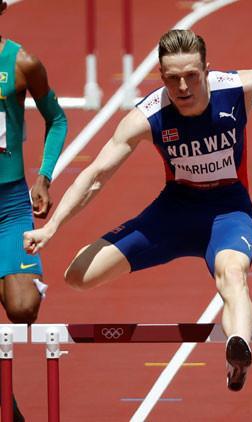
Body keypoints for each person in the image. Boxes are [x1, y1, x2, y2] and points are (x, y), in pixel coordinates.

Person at [23, 29, 252, 391]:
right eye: (173, 79)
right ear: (161, 76)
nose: (183, 87)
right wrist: (52, 227)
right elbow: (95, 176)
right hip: (174, 213)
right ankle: (238, 338)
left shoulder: (234, 88)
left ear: (207, 69)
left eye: (191, 75)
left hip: (227, 211)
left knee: (232, 275)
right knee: (79, 276)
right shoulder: (146, 116)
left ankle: (238, 348)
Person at [0, 0, 67, 418]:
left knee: (23, 308)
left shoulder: (22, 62)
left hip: (9, 205)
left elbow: (57, 119)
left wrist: (43, 176)